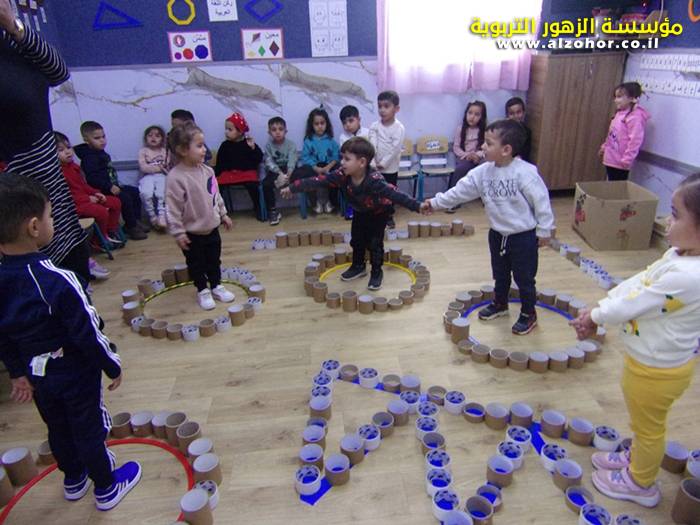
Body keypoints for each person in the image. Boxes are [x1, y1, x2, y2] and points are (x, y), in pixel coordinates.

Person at [0, 173, 141, 511]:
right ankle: (106, 486)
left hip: (36, 375)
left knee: (58, 426)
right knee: (89, 427)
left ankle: (74, 478)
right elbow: (87, 332)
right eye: (50, 215)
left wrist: (17, 373)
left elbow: (3, 335)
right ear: (35, 227)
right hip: (75, 372)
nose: (53, 221)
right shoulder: (60, 280)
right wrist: (111, 364)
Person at [570, 174, 700, 508]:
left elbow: (637, 302)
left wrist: (596, 316)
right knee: (641, 420)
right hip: (648, 361)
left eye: (675, 215)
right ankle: (637, 460)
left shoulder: (690, 276)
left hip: (658, 371)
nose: (667, 221)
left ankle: (640, 483)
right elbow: (640, 282)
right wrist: (602, 305)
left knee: (648, 428)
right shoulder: (680, 255)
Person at [421, 119, 554, 335]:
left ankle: (528, 313)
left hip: (523, 237)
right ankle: (500, 303)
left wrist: (544, 230)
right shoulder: (482, 172)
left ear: (506, 150)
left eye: (489, 143)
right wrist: (435, 203)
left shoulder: (525, 172)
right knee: (500, 273)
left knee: (524, 278)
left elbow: (541, 202)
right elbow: (459, 192)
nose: (483, 146)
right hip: (497, 234)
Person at [0, 0, 90, 283]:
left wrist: (14, 26)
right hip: (15, 190)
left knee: (73, 270)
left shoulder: (12, 42)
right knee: (37, 281)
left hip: (50, 184)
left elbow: (58, 71)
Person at [282, 137, 420, 290]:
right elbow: (319, 180)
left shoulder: (374, 180)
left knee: (374, 243)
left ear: (362, 162)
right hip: (360, 210)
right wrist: (293, 187)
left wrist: (418, 206)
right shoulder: (342, 175)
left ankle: (376, 271)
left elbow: (396, 195)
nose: (342, 162)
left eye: (347, 159)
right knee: (357, 239)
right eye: (342, 158)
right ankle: (358, 266)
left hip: (379, 213)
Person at [166, 122, 235, 311]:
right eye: (199, 146)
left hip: (212, 227)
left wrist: (223, 214)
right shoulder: (175, 177)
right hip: (191, 233)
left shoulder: (208, 171)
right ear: (182, 150)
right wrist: (178, 232)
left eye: (203, 144)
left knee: (214, 260)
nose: (204, 149)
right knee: (196, 264)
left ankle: (216, 285)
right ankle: (203, 290)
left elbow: (215, 195)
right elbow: (172, 208)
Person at [74, 121, 147, 240]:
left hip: (113, 186)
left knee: (134, 192)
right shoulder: (89, 158)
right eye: (97, 138)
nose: (102, 140)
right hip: (102, 190)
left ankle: (135, 220)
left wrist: (114, 185)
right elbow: (92, 179)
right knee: (125, 198)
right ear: (86, 140)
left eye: (103, 136)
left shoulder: (101, 152)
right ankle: (130, 226)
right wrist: (109, 186)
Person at [55, 132, 123, 249]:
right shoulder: (58, 173)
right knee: (101, 211)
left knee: (115, 202)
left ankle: (110, 231)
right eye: (61, 150)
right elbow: (65, 196)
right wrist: (88, 198)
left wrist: (96, 193)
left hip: (86, 199)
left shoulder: (74, 167)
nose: (67, 152)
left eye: (68, 147)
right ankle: (98, 240)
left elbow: (84, 186)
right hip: (73, 205)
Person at [214, 112, 272, 222]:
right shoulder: (224, 145)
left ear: (240, 131)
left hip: (246, 173)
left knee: (253, 186)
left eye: (230, 129)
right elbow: (220, 162)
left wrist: (253, 148)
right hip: (230, 173)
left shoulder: (248, 143)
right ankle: (221, 212)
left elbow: (259, 158)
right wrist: (217, 175)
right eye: (226, 129)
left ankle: (258, 208)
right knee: (217, 186)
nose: (226, 132)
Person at [292, 107, 340, 215]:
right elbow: (305, 157)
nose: (320, 126)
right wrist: (315, 168)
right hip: (313, 168)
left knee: (337, 172)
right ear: (312, 125)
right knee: (304, 173)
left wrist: (328, 167)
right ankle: (315, 203)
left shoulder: (331, 140)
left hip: (328, 167)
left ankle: (331, 202)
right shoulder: (308, 141)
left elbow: (336, 156)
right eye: (316, 124)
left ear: (326, 124)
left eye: (322, 123)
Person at [369, 90, 405, 228]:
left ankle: (389, 215)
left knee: (389, 192)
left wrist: (383, 163)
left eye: (386, 106)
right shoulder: (374, 126)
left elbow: (395, 149)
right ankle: (376, 214)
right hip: (375, 167)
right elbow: (371, 145)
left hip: (390, 168)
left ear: (396, 109)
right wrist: (373, 162)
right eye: (380, 106)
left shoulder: (399, 128)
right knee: (375, 192)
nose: (382, 110)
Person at [599, 82, 650, 181]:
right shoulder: (619, 114)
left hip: (621, 163)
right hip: (611, 159)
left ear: (632, 98)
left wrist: (627, 159)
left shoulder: (635, 117)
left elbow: (635, 140)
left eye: (619, 97)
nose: (615, 100)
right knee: (611, 184)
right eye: (615, 97)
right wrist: (604, 147)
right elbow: (612, 134)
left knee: (618, 187)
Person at [446, 100, 487, 213]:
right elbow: (456, 148)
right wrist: (467, 155)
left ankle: (488, 199)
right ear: (466, 114)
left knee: (488, 167)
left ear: (482, 117)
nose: (472, 117)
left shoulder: (485, 130)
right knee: (459, 170)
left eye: (477, 114)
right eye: (470, 113)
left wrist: (477, 155)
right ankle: (453, 200)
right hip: (465, 159)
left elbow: (486, 147)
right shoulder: (461, 129)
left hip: (480, 159)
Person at [263, 116, 297, 226]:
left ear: (285, 131)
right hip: (276, 171)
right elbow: (269, 162)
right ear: (269, 132)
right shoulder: (268, 146)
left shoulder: (291, 144)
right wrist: (280, 174)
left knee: (303, 174)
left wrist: (288, 174)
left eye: (280, 129)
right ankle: (273, 211)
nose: (277, 132)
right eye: (274, 130)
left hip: (289, 169)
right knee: (266, 184)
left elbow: (292, 159)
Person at [339, 105, 370, 220]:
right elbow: (345, 154)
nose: (348, 125)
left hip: (366, 166)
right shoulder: (343, 137)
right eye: (344, 123)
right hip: (352, 169)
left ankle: (368, 205)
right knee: (346, 180)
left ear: (359, 119)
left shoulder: (368, 133)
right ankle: (351, 206)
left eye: (351, 121)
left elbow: (370, 152)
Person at [138, 125, 168, 231]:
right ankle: (152, 217)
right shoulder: (143, 151)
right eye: (150, 135)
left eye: (157, 136)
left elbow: (167, 166)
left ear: (162, 139)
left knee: (162, 193)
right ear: (145, 138)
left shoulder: (165, 151)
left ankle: (161, 215)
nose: (153, 138)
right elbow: (144, 167)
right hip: (147, 177)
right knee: (146, 193)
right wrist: (159, 168)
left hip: (162, 176)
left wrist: (159, 169)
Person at [505, 97, 532, 163]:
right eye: (512, 113)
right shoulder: (503, 131)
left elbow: (526, 153)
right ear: (507, 115)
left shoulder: (527, 131)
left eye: (518, 112)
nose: (516, 116)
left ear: (524, 112)